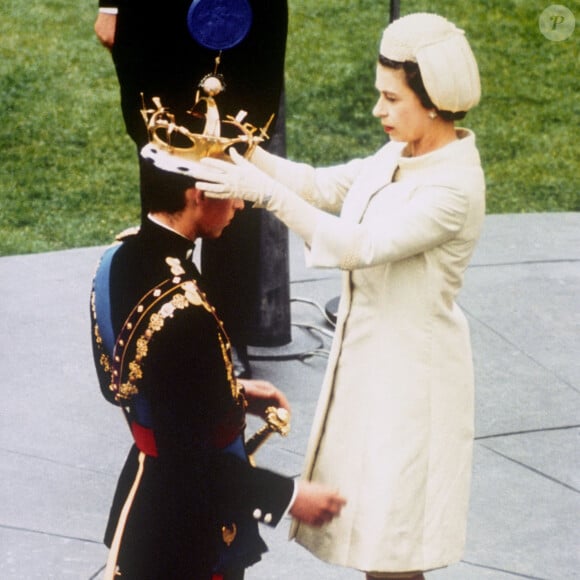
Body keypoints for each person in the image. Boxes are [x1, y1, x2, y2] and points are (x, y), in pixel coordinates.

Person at [193, 12, 485, 580]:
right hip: (372, 370)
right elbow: (322, 184)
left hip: (414, 386)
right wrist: (243, 151)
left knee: (395, 547)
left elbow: (360, 246)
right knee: (375, 542)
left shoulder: (455, 187)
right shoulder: (400, 153)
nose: (378, 111)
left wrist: (262, 194)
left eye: (391, 98)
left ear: (433, 100)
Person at [90, 153, 346, 580]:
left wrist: (232, 393)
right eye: (232, 192)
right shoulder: (186, 312)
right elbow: (191, 466)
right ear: (197, 195)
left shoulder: (118, 258)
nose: (241, 205)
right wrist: (289, 495)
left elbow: (146, 386)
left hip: (143, 502)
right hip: (186, 535)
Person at [94, 0, 291, 378]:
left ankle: (227, 333)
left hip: (249, 14)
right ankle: (156, 324)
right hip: (160, 19)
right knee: (163, 154)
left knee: (237, 156)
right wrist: (112, 5)